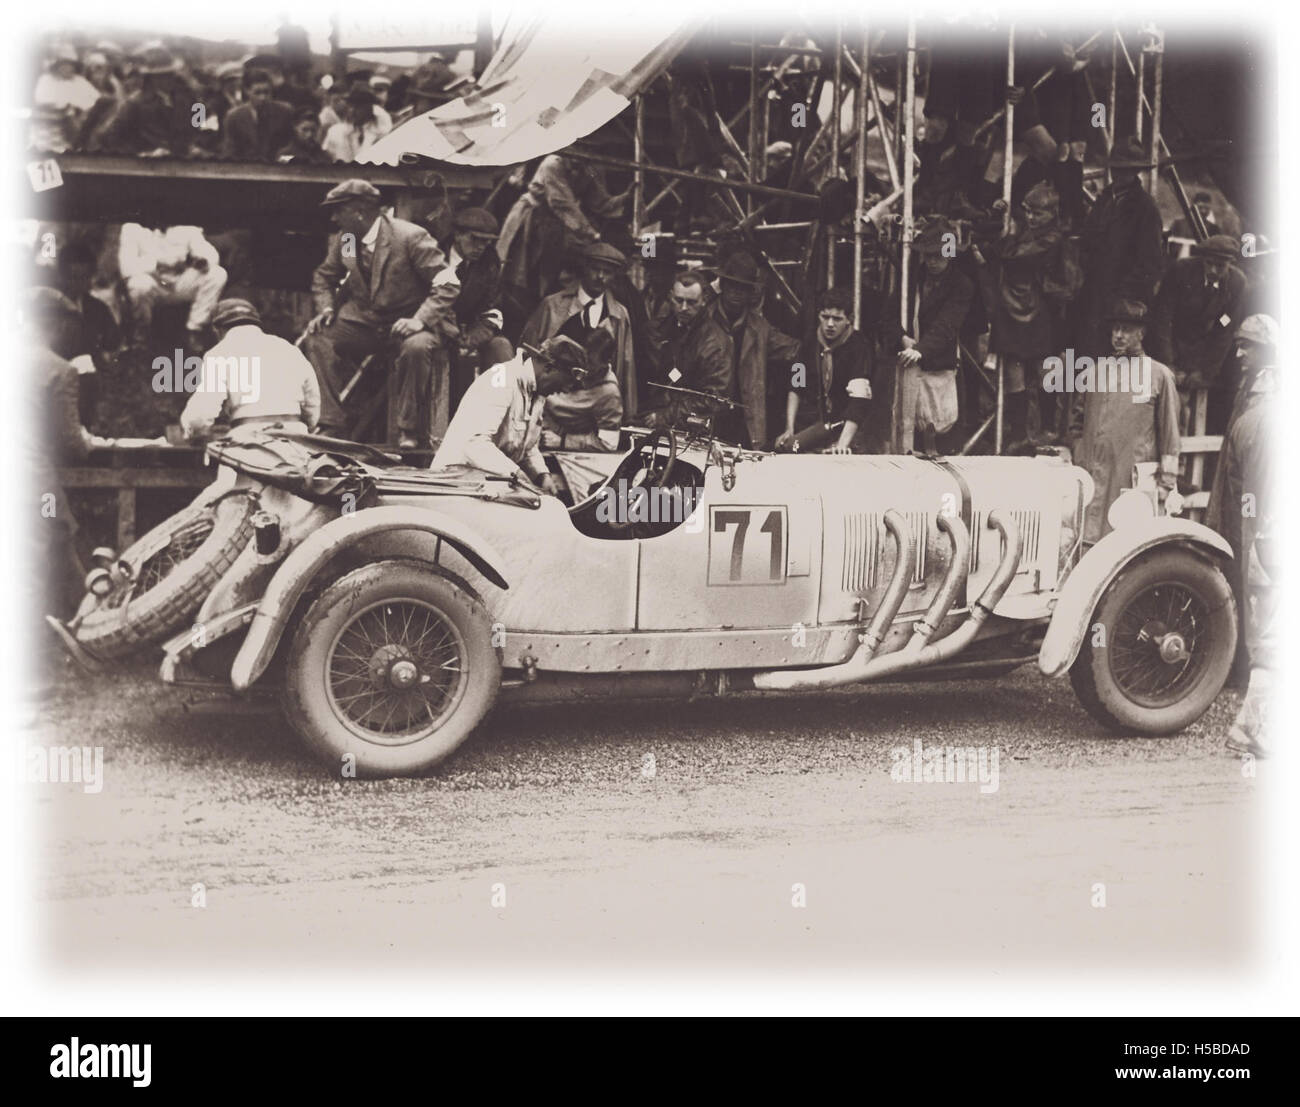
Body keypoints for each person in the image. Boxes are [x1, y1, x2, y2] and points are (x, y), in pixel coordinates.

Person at [303, 179, 457, 447]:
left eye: (338, 210)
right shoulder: (349, 240)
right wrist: (327, 308)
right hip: (367, 324)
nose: (334, 218)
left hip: (409, 322)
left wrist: (419, 321)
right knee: (319, 337)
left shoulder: (409, 237)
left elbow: (448, 283)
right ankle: (332, 422)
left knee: (417, 348)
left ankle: (408, 430)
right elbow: (325, 276)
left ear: (358, 210)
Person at [1209, 316, 1277, 758]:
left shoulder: (1264, 411)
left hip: (1264, 536)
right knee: (1270, 637)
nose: (1239, 355)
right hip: (1264, 538)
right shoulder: (1257, 408)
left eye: (1247, 347)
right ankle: (1254, 729)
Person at [970, 181, 1076, 445]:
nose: (1031, 218)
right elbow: (997, 247)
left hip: (1039, 312)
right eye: (1028, 211)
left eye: (1037, 213)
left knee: (1044, 368)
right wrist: (995, 216)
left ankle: (1049, 427)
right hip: (1015, 309)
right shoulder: (1026, 234)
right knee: (1014, 371)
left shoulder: (1052, 239)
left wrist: (1000, 243)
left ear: (1052, 213)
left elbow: (1013, 254)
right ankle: (1019, 432)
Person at [1070, 299, 1181, 544]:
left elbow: (1170, 435)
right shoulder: (1093, 373)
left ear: (1141, 333)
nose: (1119, 335)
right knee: (1089, 543)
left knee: (1127, 545)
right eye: (1115, 328)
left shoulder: (1159, 376)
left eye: (1127, 329)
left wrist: (1167, 483)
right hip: (1094, 479)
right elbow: (1076, 424)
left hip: (1133, 480)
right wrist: (1082, 457)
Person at [431, 335, 590, 496]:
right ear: (549, 368)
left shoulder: (538, 393)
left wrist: (542, 475)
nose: (564, 390)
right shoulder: (500, 379)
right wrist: (517, 474)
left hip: (486, 485)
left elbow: (526, 447)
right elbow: (475, 444)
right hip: (455, 483)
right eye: (563, 383)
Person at [496, 154, 628, 338]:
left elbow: (599, 202)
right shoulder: (553, 164)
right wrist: (591, 233)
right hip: (535, 219)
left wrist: (623, 200)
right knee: (521, 277)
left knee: (553, 278)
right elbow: (561, 203)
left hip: (562, 226)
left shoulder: (591, 167)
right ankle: (516, 333)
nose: (578, 157)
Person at [521, 241, 637, 417]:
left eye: (607, 272)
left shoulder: (619, 315)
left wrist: (627, 415)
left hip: (596, 407)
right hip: (551, 403)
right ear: (584, 268)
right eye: (595, 269)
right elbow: (528, 352)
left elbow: (626, 368)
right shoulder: (552, 306)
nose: (600, 276)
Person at [179, 299, 320, 440]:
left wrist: (191, 432)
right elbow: (313, 404)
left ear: (217, 329)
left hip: (249, 440)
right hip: (295, 440)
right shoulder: (289, 349)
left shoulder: (219, 353)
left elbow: (200, 415)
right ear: (256, 323)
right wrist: (305, 427)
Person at [1075, 136, 1165, 358]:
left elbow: (1150, 263)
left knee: (1116, 361)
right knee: (1087, 356)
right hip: (1094, 292)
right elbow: (1088, 239)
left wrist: (1121, 296)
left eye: (1127, 170)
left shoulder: (1145, 208)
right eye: (1116, 169)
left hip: (1123, 301)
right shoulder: (1105, 199)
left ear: (1137, 172)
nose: (1120, 175)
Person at [1147, 233, 1247, 428]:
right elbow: (1163, 319)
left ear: (1230, 264)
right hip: (1170, 341)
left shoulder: (1237, 284)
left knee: (1187, 412)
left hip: (1200, 348)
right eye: (1209, 263)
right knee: (1159, 404)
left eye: (1220, 266)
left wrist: (1204, 371)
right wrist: (1169, 364)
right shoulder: (1181, 271)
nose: (1212, 270)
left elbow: (1225, 328)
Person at [894, 219, 976, 454]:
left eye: (938, 256)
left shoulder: (961, 285)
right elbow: (889, 315)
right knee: (906, 434)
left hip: (939, 364)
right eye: (928, 256)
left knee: (941, 431)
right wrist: (902, 338)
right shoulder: (911, 279)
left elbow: (947, 325)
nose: (932, 261)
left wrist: (921, 349)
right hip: (907, 361)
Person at [706, 251, 801, 448]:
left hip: (745, 425)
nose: (736, 293)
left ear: (751, 292)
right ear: (722, 286)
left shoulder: (760, 329)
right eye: (732, 286)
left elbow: (797, 352)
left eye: (743, 288)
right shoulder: (703, 320)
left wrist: (797, 383)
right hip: (707, 419)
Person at [776, 287, 874, 454]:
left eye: (837, 319)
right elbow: (796, 386)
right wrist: (789, 428)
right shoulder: (809, 343)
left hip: (846, 429)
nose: (830, 324)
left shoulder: (859, 347)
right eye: (825, 317)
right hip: (815, 427)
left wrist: (843, 444)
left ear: (849, 320)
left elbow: (859, 399)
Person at [644, 270, 734, 428]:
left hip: (693, 429)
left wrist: (667, 416)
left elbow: (714, 398)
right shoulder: (659, 329)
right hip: (652, 418)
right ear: (671, 296)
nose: (683, 308)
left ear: (704, 300)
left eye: (691, 302)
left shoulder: (715, 342)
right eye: (679, 300)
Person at [118, 223, 227, 344]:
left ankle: (195, 330)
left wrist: (202, 260)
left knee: (217, 274)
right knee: (138, 284)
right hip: (153, 285)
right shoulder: (132, 228)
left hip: (179, 284)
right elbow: (126, 268)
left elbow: (209, 254)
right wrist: (157, 264)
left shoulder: (186, 225)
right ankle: (141, 334)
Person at [31, 44, 101, 152]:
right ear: (57, 65)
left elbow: (97, 99)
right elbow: (42, 99)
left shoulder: (79, 81)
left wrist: (84, 108)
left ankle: (84, 148)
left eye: (71, 64)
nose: (68, 68)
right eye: (64, 64)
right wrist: (69, 104)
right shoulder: (46, 80)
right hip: (50, 126)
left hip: (76, 125)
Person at [221, 69, 294, 161]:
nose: (263, 97)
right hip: (246, 169)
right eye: (257, 93)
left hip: (278, 168)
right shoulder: (234, 117)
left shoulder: (285, 112)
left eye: (266, 92)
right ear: (247, 91)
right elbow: (229, 151)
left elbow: (292, 144)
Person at [321, 86, 391, 163]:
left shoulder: (381, 132)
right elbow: (325, 157)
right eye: (351, 106)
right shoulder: (335, 131)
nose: (353, 110)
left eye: (359, 107)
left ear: (370, 108)